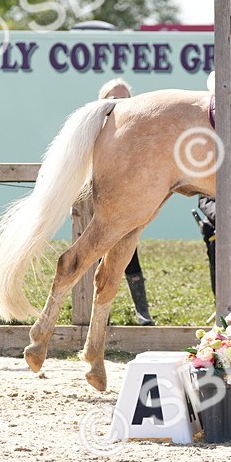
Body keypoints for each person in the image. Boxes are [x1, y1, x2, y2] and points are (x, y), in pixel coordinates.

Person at [98, 78, 153, 325]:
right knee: (93, 256)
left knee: (129, 253)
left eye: (125, 99)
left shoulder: (138, 135)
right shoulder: (92, 132)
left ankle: (142, 311)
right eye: (113, 99)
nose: (119, 103)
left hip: (125, 204)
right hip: (98, 203)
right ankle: (98, 314)